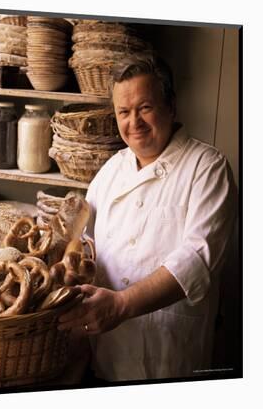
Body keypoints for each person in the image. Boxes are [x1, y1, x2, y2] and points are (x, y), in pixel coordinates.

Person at [57, 54, 237, 381]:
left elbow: (196, 260)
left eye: (145, 108)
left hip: (174, 361)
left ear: (171, 106)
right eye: (123, 112)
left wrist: (122, 305)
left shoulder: (208, 168)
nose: (134, 122)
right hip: (108, 359)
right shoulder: (110, 172)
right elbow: (84, 244)